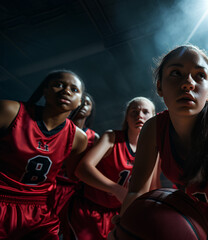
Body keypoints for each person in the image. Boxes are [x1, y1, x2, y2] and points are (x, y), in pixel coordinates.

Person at [113, 45, 208, 240]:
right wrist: (126, 225)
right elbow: (136, 192)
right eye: (176, 73)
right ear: (159, 86)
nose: (188, 83)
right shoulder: (153, 128)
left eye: (199, 75)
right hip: (199, 207)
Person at [0, 69, 88, 239]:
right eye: (58, 85)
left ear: (79, 102)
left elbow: (69, 176)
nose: (66, 91)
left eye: (74, 89)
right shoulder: (10, 111)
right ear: (45, 90)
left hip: (37, 211)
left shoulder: (78, 138)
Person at [71, 96, 159, 240]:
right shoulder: (111, 137)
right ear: (127, 117)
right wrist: (116, 189)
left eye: (145, 112)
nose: (140, 116)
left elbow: (153, 188)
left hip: (119, 214)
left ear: (154, 117)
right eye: (134, 112)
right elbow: (82, 169)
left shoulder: (153, 150)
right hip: (90, 209)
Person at [54, 92, 100, 240]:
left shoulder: (94, 137)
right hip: (51, 184)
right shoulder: (58, 127)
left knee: (66, 230)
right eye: (81, 102)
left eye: (87, 103)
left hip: (75, 192)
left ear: (91, 110)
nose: (82, 106)